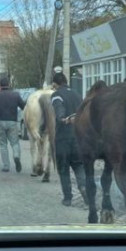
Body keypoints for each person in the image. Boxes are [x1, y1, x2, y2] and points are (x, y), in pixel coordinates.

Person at [51, 71, 85, 206]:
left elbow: (59, 110)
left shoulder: (56, 95)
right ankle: (83, 187)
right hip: (78, 137)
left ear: (55, 84)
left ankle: (67, 197)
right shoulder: (77, 95)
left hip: (63, 138)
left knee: (63, 168)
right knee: (78, 165)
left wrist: (62, 119)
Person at [0, 75, 25, 173]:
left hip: (0, 122)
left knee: (3, 144)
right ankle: (16, 156)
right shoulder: (15, 95)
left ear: (0, 85)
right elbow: (24, 106)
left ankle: (6, 166)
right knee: (15, 142)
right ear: (9, 84)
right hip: (12, 122)